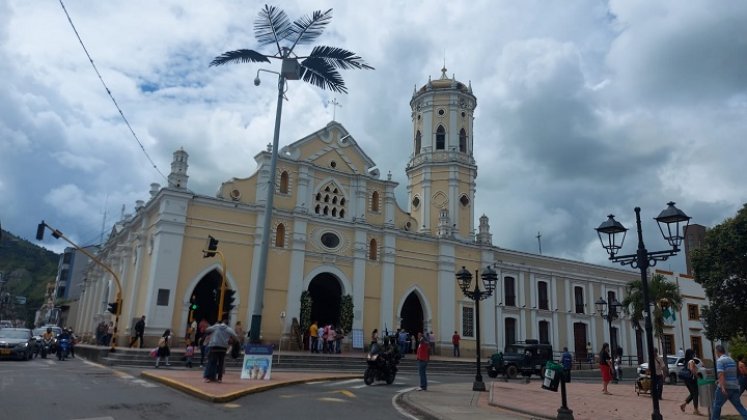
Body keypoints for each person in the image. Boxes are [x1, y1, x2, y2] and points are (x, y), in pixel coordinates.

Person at [711, 344, 747, 419]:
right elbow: (733, 373)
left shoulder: (720, 360)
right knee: (739, 406)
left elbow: (721, 374)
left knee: (717, 405)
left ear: (717, 352)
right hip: (734, 387)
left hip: (725, 387)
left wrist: (722, 387)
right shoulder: (732, 360)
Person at [203, 318, 238, 383]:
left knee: (211, 362)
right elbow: (235, 336)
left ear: (222, 322)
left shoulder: (216, 326)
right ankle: (219, 378)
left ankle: (207, 377)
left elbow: (207, 330)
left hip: (214, 346)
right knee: (221, 363)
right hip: (223, 348)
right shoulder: (229, 329)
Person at [679, 348, 701, 415]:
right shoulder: (691, 361)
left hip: (687, 380)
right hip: (692, 380)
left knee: (692, 393)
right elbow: (691, 369)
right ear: (691, 354)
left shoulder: (686, 361)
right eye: (693, 353)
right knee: (696, 394)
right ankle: (696, 410)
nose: (694, 354)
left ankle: (683, 404)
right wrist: (697, 376)